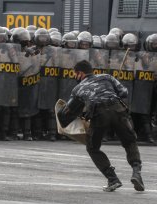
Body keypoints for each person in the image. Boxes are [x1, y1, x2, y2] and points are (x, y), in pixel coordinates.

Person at [58, 60, 145, 192]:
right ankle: (136, 172)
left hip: (99, 115)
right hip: (118, 111)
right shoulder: (107, 77)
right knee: (130, 142)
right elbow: (124, 93)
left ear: (80, 73)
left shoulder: (78, 88)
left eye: (75, 74)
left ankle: (113, 179)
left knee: (92, 148)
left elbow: (66, 114)